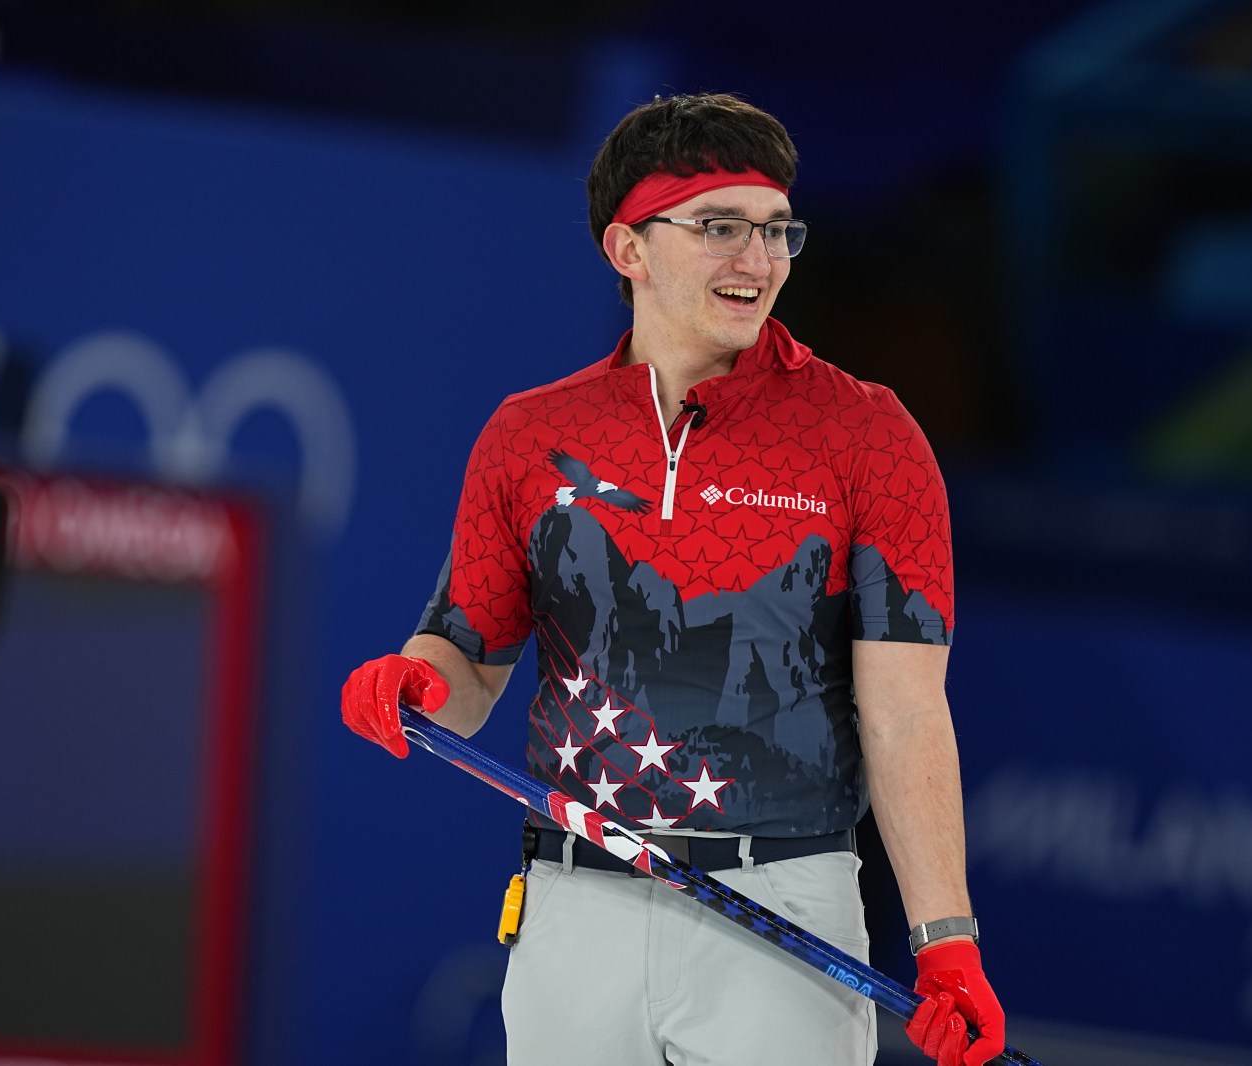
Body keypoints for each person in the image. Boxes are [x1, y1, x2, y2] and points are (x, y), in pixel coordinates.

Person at [341, 91, 1006, 1066]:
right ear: (628, 249)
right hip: (577, 904)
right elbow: (471, 657)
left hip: (783, 909)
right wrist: (416, 678)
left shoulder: (868, 434)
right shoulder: (531, 436)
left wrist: (946, 943)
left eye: (777, 230)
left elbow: (904, 713)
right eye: (719, 227)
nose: (758, 260)